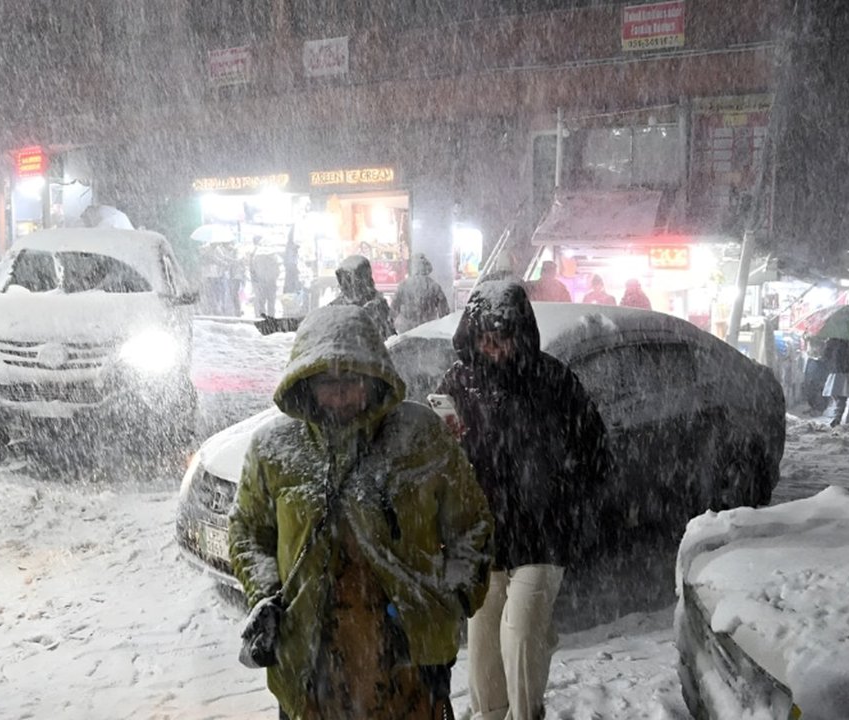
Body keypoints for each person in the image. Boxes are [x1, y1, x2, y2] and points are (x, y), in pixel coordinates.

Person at [229, 305, 494, 720]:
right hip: (311, 666)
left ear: (373, 378)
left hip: (408, 660)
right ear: (306, 383)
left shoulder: (419, 436)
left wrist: (453, 597)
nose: (340, 395)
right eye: (327, 383)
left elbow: (472, 524)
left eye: (351, 380)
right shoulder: (273, 449)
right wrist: (265, 594)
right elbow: (247, 531)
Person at [436, 281, 614, 720]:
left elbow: (596, 454)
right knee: (482, 648)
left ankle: (525, 714)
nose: (494, 349)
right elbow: (437, 461)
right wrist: (448, 444)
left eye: (504, 337)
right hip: (484, 536)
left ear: (522, 333)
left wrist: (561, 495)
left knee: (521, 636)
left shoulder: (553, 380)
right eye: (485, 338)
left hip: (542, 535)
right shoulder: (459, 382)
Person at [329, 254, 396, 337]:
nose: (343, 285)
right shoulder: (334, 308)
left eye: (349, 279)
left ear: (363, 280)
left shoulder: (377, 307)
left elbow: (389, 338)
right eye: (342, 280)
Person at [391, 253, 451, 333]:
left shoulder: (403, 285)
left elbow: (394, 309)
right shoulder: (434, 286)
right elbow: (444, 313)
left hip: (406, 331)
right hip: (427, 330)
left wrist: (392, 327)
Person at [249, 238, 281, 318]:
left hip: (261, 282)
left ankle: (262, 318)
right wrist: (273, 277)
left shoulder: (257, 257)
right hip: (271, 282)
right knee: (271, 302)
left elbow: (253, 270)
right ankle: (271, 318)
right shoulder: (274, 257)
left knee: (261, 302)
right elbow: (278, 271)